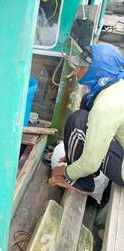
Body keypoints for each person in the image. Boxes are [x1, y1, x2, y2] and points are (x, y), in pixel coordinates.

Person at [49, 43, 124, 195]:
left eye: (81, 66)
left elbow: (90, 163)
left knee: (77, 120)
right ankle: (80, 168)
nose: (77, 69)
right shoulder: (116, 83)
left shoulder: (104, 107)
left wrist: (67, 171)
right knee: (85, 102)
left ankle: (82, 184)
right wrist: (75, 155)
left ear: (97, 71)